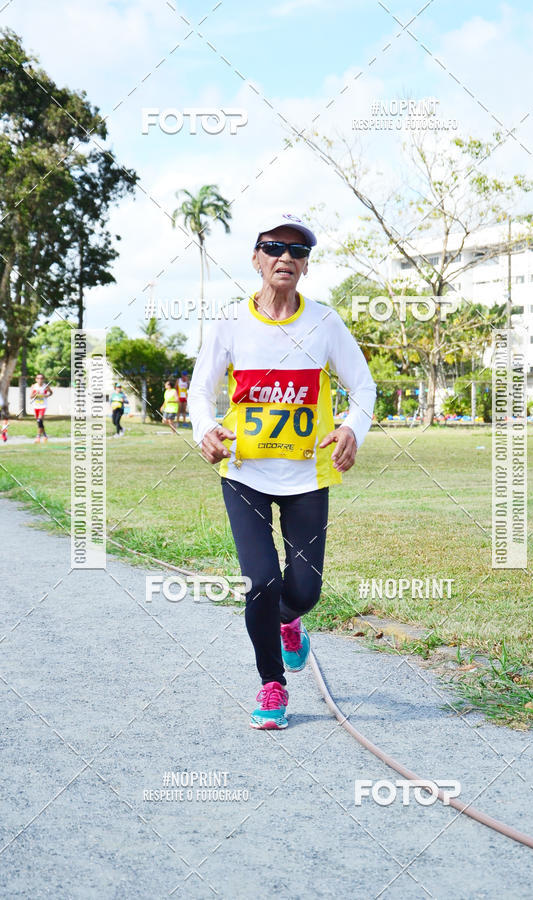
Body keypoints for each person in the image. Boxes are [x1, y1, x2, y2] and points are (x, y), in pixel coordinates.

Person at [189, 213, 376, 730]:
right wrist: (204, 428)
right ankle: (272, 684)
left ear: (306, 265)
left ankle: (289, 622)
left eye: (297, 251)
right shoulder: (231, 322)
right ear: (256, 258)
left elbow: (364, 387)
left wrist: (352, 429)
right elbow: (201, 391)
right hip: (244, 472)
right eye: (273, 247)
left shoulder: (325, 323)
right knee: (261, 581)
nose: (285, 257)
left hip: (307, 475)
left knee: (304, 592)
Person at [30, 374, 53, 443]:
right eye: (38, 378)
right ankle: (45, 436)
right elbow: (31, 397)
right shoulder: (34, 386)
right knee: (39, 422)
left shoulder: (46, 386)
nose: (40, 380)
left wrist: (47, 395)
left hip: (43, 406)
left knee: (39, 420)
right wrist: (35, 394)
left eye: (41, 378)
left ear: (43, 379)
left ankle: (38, 437)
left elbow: (51, 393)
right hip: (36, 406)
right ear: (36, 379)